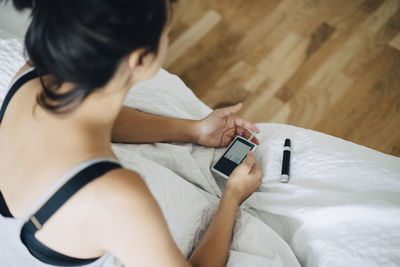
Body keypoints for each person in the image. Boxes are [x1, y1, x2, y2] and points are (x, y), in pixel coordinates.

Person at [0, 0, 263, 266]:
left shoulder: (34, 74)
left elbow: (92, 121)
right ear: (140, 60)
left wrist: (193, 130)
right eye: (167, 33)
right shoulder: (114, 196)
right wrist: (232, 197)